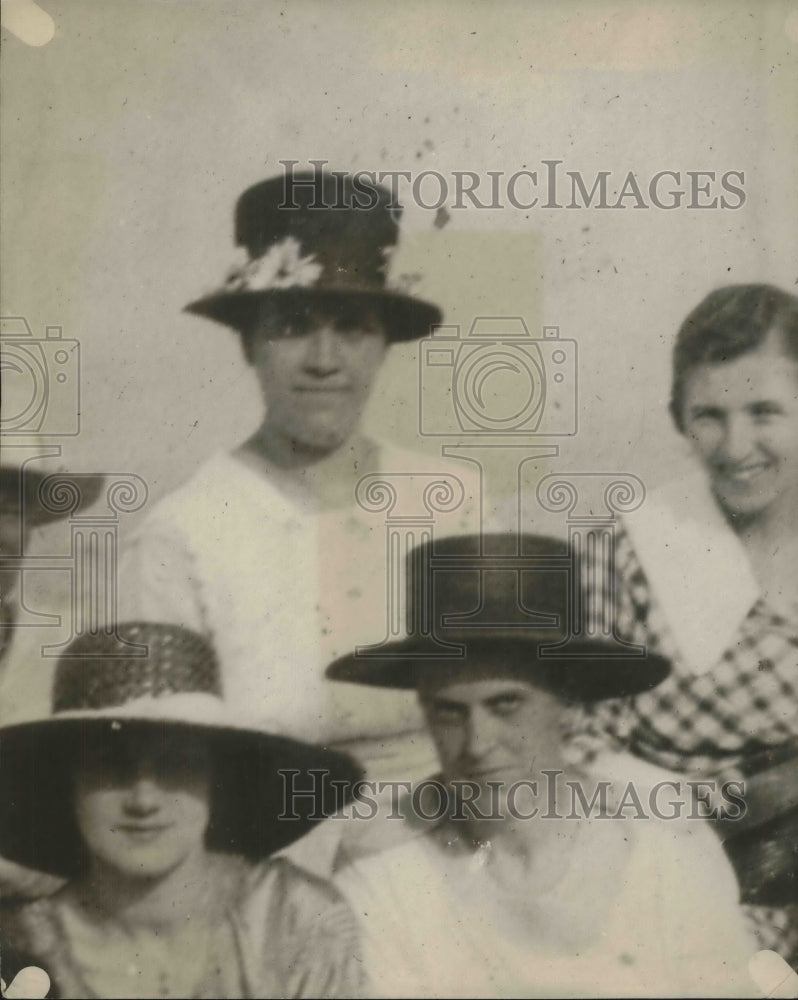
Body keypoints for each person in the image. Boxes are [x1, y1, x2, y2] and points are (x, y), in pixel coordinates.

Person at [120, 169, 476, 792]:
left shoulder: (451, 501)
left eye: (353, 327)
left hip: (453, 832)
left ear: (384, 344)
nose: (323, 359)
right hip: (273, 840)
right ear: (247, 344)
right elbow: (160, 763)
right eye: (292, 325)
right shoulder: (181, 535)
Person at [328, 533, 758, 998]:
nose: (477, 743)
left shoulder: (662, 851)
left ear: (567, 703)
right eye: (449, 712)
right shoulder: (387, 870)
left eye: (506, 704)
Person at [565, 284, 798, 960]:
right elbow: (580, 750)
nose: (736, 446)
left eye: (765, 412)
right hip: (675, 878)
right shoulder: (629, 550)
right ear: (679, 420)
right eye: (709, 416)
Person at [0, 621, 363, 999]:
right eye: (110, 764)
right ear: (67, 784)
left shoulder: (291, 918)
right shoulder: (18, 949)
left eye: (176, 763)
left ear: (215, 778)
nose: (144, 800)